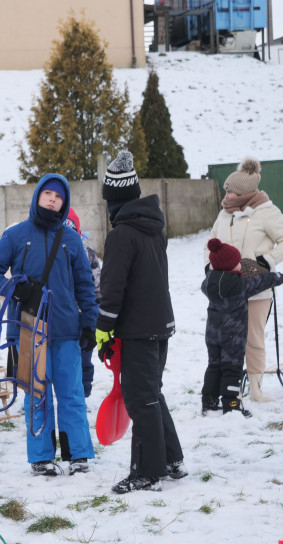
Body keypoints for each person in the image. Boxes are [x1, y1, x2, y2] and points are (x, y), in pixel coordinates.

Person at [0, 174, 97, 477]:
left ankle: (77, 454)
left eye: (58, 197)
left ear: (64, 202)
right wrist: (14, 289)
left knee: (71, 394)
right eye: (47, 194)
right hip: (28, 328)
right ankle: (41, 457)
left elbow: (85, 285)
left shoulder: (71, 239)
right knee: (37, 394)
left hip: (67, 330)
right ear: (37, 197)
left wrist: (89, 323)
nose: (52, 200)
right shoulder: (16, 235)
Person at [94, 150, 185, 494]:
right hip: (159, 325)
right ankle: (172, 458)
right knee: (151, 393)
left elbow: (113, 290)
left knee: (140, 398)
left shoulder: (122, 236)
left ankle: (148, 471)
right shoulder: (153, 228)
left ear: (113, 201)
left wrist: (103, 329)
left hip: (138, 330)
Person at [206, 157, 283, 402]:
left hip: (257, 287)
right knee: (226, 338)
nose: (227, 194)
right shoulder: (225, 213)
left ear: (245, 192)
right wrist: (209, 266)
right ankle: (230, 385)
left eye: (231, 190)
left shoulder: (267, 212)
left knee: (252, 337)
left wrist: (267, 261)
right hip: (228, 288)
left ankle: (256, 389)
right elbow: (211, 242)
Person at [201, 238, 283, 416]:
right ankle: (232, 405)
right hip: (233, 336)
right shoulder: (240, 285)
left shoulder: (208, 283)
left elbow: (214, 281)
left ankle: (209, 402)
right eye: (237, 263)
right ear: (230, 266)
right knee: (232, 368)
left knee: (214, 365)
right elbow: (263, 280)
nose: (240, 265)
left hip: (212, 334)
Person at [65, 207, 102, 398]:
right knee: (67, 358)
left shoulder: (88, 254)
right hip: (63, 316)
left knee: (84, 356)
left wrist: (95, 316)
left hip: (84, 315)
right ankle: (71, 390)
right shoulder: (52, 253)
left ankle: (84, 391)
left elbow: (98, 286)